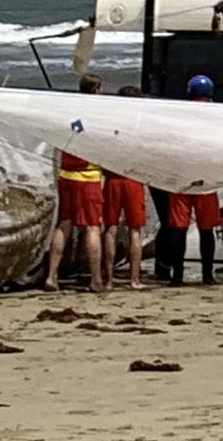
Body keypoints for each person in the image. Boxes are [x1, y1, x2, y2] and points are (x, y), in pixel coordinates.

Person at [44, 73, 105, 293]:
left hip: (66, 175)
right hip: (87, 176)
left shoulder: (70, 111)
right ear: (96, 89)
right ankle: (96, 279)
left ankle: (52, 275)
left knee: (64, 225)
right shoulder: (96, 115)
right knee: (92, 227)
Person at [165, 74, 222, 286]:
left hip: (181, 177)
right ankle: (208, 274)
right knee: (207, 229)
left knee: (178, 228)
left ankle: (177, 276)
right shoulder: (215, 117)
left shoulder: (180, 115)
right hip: (206, 178)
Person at [102, 85, 147, 290]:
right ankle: (134, 279)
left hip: (112, 178)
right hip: (133, 178)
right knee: (135, 230)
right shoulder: (140, 125)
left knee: (110, 229)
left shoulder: (111, 123)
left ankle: (109, 279)